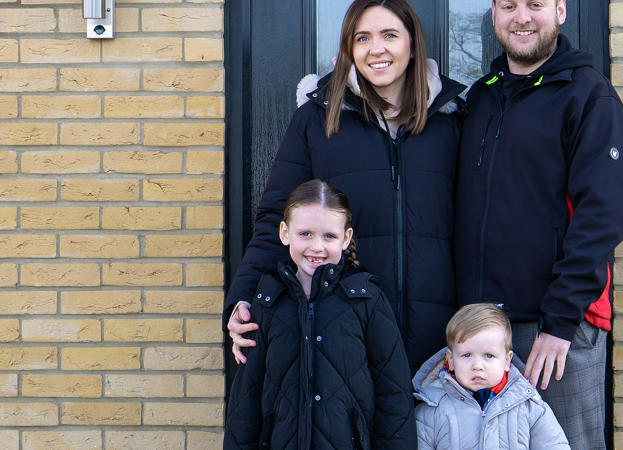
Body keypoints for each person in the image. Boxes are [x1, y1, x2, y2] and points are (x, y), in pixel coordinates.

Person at [225, 0, 465, 371]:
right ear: (349, 49)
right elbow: (278, 217)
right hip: (344, 331)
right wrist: (243, 295)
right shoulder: (317, 121)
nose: (377, 49)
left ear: (413, 45)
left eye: (390, 35)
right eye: (362, 38)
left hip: (443, 337)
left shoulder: (452, 120)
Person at [454, 0, 623, 448]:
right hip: (481, 331)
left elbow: (601, 217)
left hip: (554, 331)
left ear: (560, 11)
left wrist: (560, 323)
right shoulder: (480, 98)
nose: (522, 17)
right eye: (509, 5)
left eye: (535, 4)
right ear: (494, 14)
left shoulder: (588, 95)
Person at [224, 180, 416, 449]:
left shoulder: (367, 300)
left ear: (346, 238)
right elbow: (246, 399)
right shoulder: (267, 302)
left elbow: (395, 396)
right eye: (305, 234)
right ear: (284, 232)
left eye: (329, 236)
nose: (317, 247)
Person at [413, 303, 569, 449]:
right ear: (451, 360)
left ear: (507, 361)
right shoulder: (432, 409)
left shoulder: (529, 406)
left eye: (488, 355)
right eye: (467, 355)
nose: (477, 366)